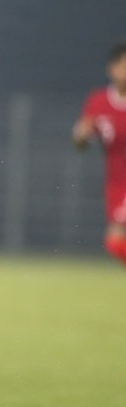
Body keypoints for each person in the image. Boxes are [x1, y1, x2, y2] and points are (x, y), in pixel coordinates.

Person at [73, 43, 126, 266]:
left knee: (115, 238)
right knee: (115, 242)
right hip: (115, 182)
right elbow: (80, 142)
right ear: (112, 69)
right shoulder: (99, 101)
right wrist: (81, 136)